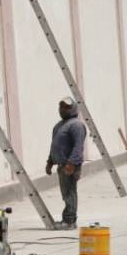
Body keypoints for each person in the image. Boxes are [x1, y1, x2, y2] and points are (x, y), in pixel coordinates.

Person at [46, 97, 86, 229]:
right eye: (61, 106)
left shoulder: (76, 125)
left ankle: (69, 221)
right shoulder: (59, 125)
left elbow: (78, 147)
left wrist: (71, 164)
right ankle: (67, 219)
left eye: (66, 107)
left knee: (69, 193)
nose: (62, 109)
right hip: (62, 165)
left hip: (70, 165)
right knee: (66, 193)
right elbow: (54, 146)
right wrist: (50, 162)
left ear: (73, 108)